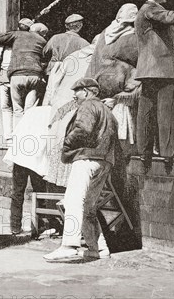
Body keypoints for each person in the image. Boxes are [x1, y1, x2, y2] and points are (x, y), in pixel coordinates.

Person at [44, 78, 119, 262]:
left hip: (86, 158)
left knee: (73, 201)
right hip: (104, 162)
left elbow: (83, 130)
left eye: (77, 91)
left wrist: (66, 143)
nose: (74, 95)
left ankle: (69, 245)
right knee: (88, 208)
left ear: (86, 92)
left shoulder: (87, 106)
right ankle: (98, 249)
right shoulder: (107, 111)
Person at [86, 3, 140, 155]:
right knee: (123, 135)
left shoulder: (105, 33)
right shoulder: (134, 36)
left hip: (101, 88)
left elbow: (94, 63)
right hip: (123, 91)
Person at [134, 0, 174, 166]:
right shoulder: (150, 8)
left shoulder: (146, 10)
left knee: (147, 112)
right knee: (166, 112)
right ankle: (168, 154)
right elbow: (169, 17)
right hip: (163, 70)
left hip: (148, 70)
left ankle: (144, 152)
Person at [0, 22, 48, 129]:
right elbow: (45, 59)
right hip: (35, 75)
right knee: (30, 109)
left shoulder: (18, 34)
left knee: (17, 110)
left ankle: (17, 139)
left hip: (16, 75)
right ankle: (27, 135)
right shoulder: (43, 41)